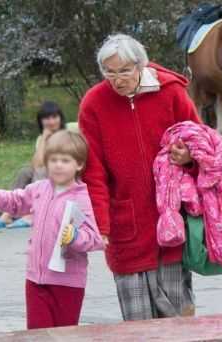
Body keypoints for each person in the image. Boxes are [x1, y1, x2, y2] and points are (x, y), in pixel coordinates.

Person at [78, 33, 202, 321]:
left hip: (171, 221)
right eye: (109, 72)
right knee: (137, 326)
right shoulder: (93, 104)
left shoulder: (170, 93)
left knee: (178, 320)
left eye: (124, 71)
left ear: (140, 66)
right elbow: (92, 171)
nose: (117, 79)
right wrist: (101, 224)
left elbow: (203, 142)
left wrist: (189, 158)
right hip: (126, 226)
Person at [0, 130, 104, 329]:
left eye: (65, 160)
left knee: (64, 335)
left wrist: (76, 237)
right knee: (37, 335)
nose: (58, 165)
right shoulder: (39, 189)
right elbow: (16, 201)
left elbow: (95, 239)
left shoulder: (83, 197)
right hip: (35, 279)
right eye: (53, 160)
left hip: (67, 283)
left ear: (79, 164)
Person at [0, 101, 66, 229]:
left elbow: (53, 162)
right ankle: (7, 214)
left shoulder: (67, 135)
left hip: (64, 172)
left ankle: (32, 215)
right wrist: (44, 139)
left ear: (60, 118)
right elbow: (35, 163)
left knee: (40, 171)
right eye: (47, 118)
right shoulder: (42, 138)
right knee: (25, 171)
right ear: (41, 121)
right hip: (47, 171)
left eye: (54, 117)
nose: (51, 122)